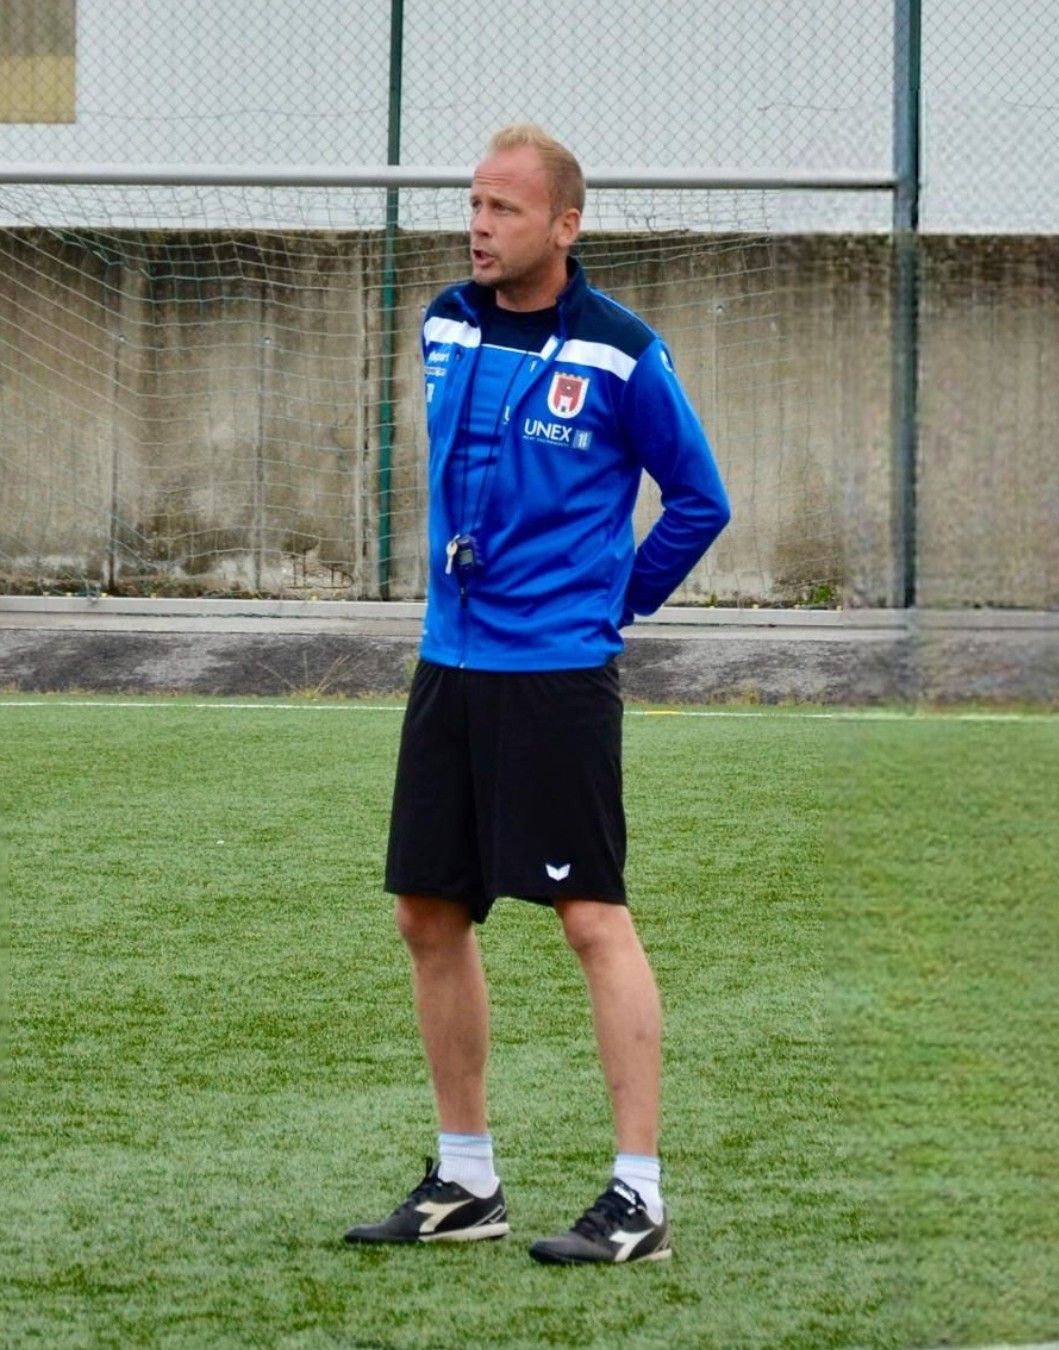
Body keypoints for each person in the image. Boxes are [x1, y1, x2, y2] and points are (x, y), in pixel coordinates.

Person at [344, 125, 730, 1265]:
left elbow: (699, 500)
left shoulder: (621, 352)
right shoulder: (443, 324)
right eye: (473, 204)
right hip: (449, 661)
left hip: (556, 674)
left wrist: (616, 598)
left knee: (590, 917)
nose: (478, 226)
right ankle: (467, 1179)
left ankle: (638, 1198)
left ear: (565, 225)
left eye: (503, 209)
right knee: (427, 911)